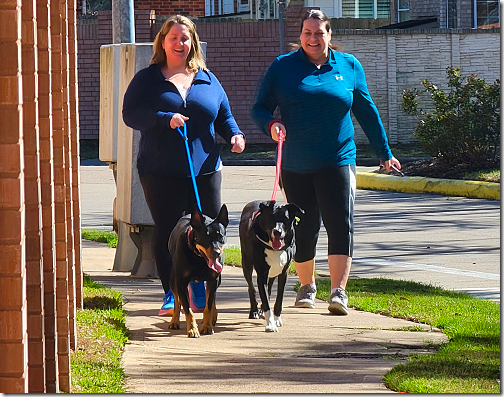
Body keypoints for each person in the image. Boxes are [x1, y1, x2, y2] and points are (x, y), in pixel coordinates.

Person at [250, 9, 401, 315]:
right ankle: (307, 287)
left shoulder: (348, 66)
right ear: (300, 36)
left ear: (330, 35)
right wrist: (271, 124)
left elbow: (367, 112)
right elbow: (259, 108)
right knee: (303, 228)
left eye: (319, 33)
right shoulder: (283, 67)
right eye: (307, 33)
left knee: (340, 224)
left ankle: (338, 292)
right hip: (295, 164)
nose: (313, 38)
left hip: (338, 160)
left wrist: (384, 152)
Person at [123, 15, 245, 316]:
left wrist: (235, 135)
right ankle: (172, 292)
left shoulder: (207, 78)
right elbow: (130, 115)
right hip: (160, 170)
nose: (180, 43)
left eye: (185, 38)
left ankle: (200, 288)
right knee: (169, 232)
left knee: (210, 230)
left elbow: (224, 116)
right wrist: (165, 120)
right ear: (162, 42)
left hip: (205, 170)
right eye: (174, 37)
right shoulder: (147, 79)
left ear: (193, 43)